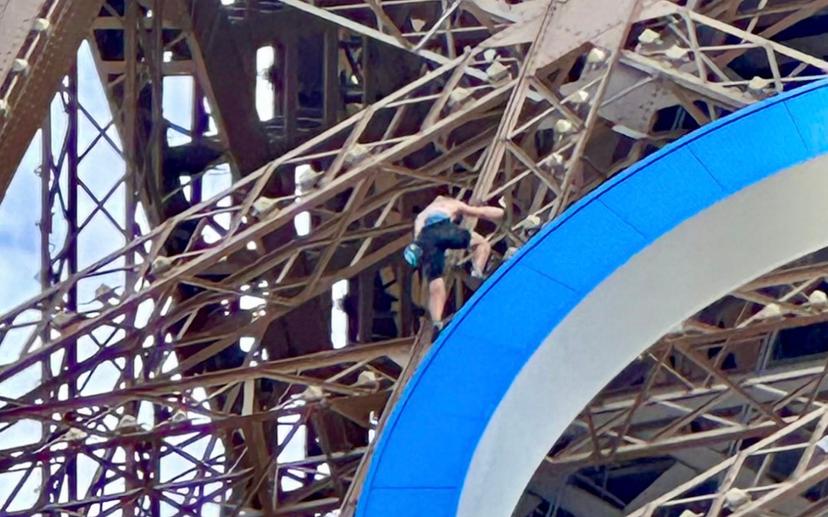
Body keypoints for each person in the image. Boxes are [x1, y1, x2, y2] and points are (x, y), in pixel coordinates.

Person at [403, 195, 504, 331]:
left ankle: (437, 322)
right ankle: (476, 272)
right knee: (482, 244)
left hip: (425, 238)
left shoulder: (422, 214)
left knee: (436, 283)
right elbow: (481, 213)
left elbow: (418, 237)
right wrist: (504, 213)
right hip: (443, 227)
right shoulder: (451, 204)